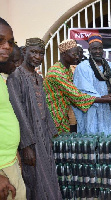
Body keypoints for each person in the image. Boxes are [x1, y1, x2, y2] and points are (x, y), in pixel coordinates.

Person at [7, 38, 62, 200]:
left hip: (43, 136)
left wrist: (52, 134)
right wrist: (26, 146)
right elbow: (18, 112)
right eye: (34, 52)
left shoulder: (38, 78)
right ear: (24, 52)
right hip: (30, 140)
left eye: (41, 53)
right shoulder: (16, 76)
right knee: (35, 180)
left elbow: (44, 109)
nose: (38, 57)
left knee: (49, 175)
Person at [44, 39, 111, 133]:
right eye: (74, 54)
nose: (77, 57)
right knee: (55, 145)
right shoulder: (57, 73)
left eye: (78, 54)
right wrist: (106, 100)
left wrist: (104, 97)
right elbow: (76, 96)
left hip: (64, 116)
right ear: (64, 54)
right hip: (54, 116)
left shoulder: (67, 70)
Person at [73, 34, 111, 135]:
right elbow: (82, 92)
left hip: (110, 111)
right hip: (92, 111)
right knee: (93, 140)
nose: (98, 51)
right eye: (94, 48)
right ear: (89, 50)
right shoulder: (83, 67)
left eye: (100, 48)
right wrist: (104, 98)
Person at [0, 17, 26, 200]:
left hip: (9, 162)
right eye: (0, 40)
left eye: (10, 41)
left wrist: (14, 153)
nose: (7, 46)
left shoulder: (2, 79)